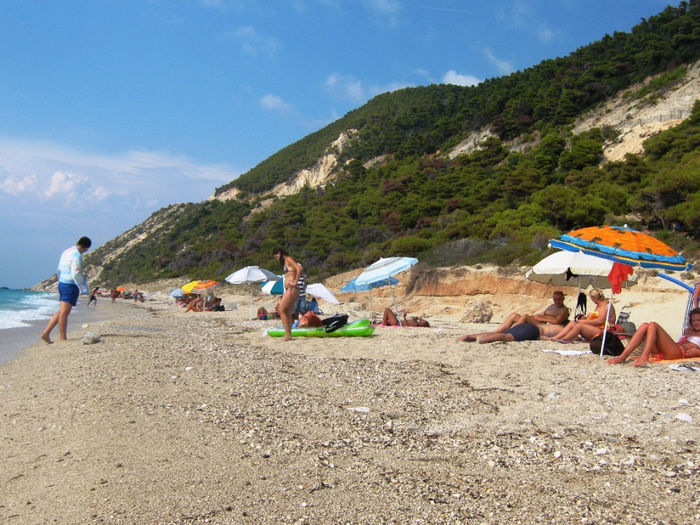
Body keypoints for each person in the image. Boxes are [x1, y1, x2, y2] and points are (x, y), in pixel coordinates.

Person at [41, 236, 92, 344]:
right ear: (85, 248)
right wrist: (83, 288)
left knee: (61, 311)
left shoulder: (66, 251)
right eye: (86, 250)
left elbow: (59, 269)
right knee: (65, 311)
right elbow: (76, 272)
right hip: (70, 284)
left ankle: (46, 333)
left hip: (62, 283)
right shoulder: (77, 256)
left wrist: (60, 280)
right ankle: (62, 337)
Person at [607, 308, 700, 366]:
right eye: (694, 320)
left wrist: (698, 352)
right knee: (645, 325)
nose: (696, 322)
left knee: (653, 325)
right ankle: (623, 356)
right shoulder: (688, 331)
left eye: (699, 320)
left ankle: (644, 356)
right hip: (669, 350)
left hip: (679, 353)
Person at [545, 288, 615, 342]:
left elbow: (600, 321)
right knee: (573, 322)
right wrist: (585, 319)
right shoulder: (600, 304)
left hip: (604, 331)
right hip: (597, 328)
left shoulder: (604, 305)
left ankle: (564, 339)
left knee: (579, 325)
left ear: (594, 298)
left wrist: (584, 322)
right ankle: (555, 338)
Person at [273, 247, 305, 341]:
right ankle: (289, 333)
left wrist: (295, 281)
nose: (275, 256)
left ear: (280, 252)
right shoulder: (285, 262)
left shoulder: (288, 259)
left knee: (281, 309)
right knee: (287, 312)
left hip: (292, 288)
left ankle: (287, 333)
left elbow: (299, 269)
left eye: (276, 254)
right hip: (290, 289)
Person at [460, 321, 565, 343]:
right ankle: (484, 339)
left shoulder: (554, 325)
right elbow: (566, 338)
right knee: (508, 337)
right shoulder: (563, 329)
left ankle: (469, 337)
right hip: (534, 331)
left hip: (528, 325)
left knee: (497, 333)